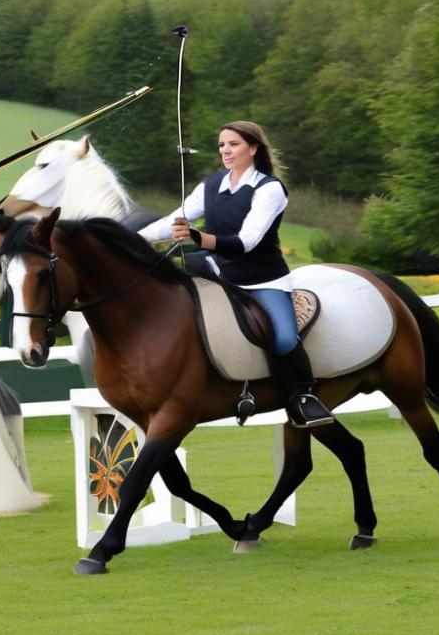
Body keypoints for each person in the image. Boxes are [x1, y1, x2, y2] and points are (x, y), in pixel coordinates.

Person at [139, 120, 333, 428]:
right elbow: (174, 219)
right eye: (221, 145)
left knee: (283, 339)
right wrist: (134, 238)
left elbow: (247, 241)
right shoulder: (211, 184)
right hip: (218, 273)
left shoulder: (269, 189)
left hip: (263, 280)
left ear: (253, 148)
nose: (225, 151)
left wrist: (197, 237)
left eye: (233, 144)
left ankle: (304, 398)